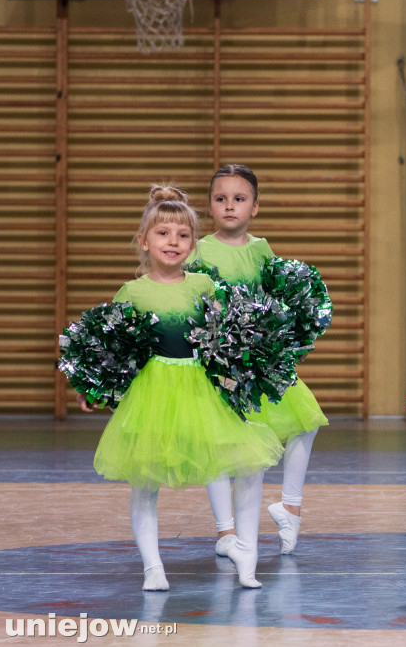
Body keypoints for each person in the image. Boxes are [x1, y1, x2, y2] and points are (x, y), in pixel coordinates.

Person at [82, 185, 283, 590]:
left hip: (201, 390)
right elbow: (114, 348)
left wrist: (238, 375)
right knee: (145, 479)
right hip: (153, 394)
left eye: (183, 235)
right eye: (162, 233)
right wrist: (95, 387)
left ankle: (247, 552)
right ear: (143, 241)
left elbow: (224, 341)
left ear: (193, 244)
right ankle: (152, 566)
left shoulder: (204, 287)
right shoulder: (132, 292)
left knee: (248, 464)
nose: (173, 242)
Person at [192, 164, 329, 557]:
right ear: (210, 206)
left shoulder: (262, 249)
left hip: (259, 365)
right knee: (219, 444)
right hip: (217, 366)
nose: (229, 206)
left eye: (239, 199)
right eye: (221, 199)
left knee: (306, 421)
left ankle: (290, 506)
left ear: (255, 207)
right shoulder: (198, 250)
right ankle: (225, 532)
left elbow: (277, 300)